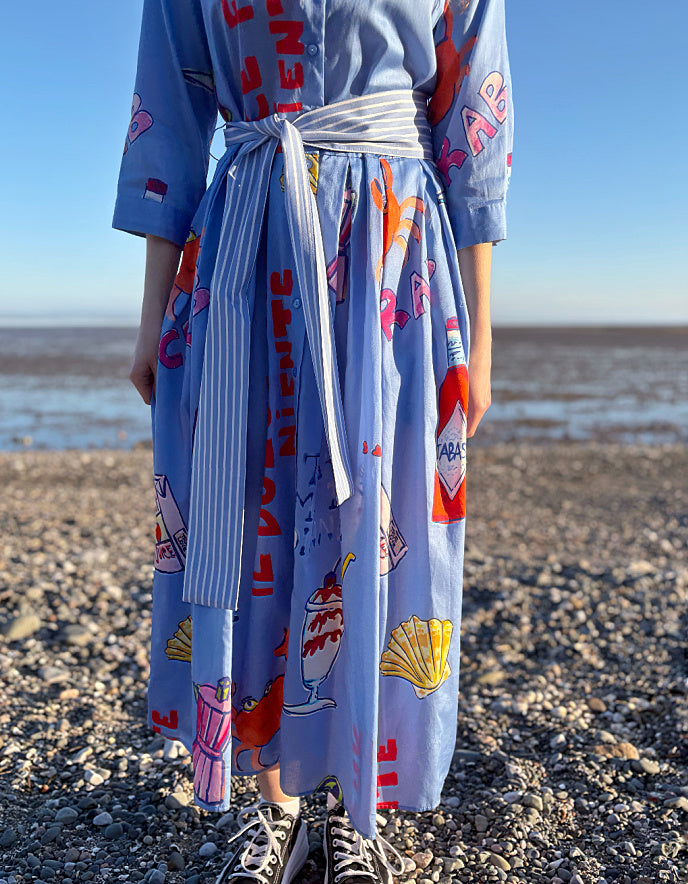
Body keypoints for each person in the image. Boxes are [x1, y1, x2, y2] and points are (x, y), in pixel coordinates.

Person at [113, 0, 512, 881]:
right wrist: (152, 318)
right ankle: (271, 807)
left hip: (393, 250)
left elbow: (471, 122)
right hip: (246, 242)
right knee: (249, 509)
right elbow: (170, 113)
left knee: (383, 516)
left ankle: (356, 809)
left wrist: (481, 337)